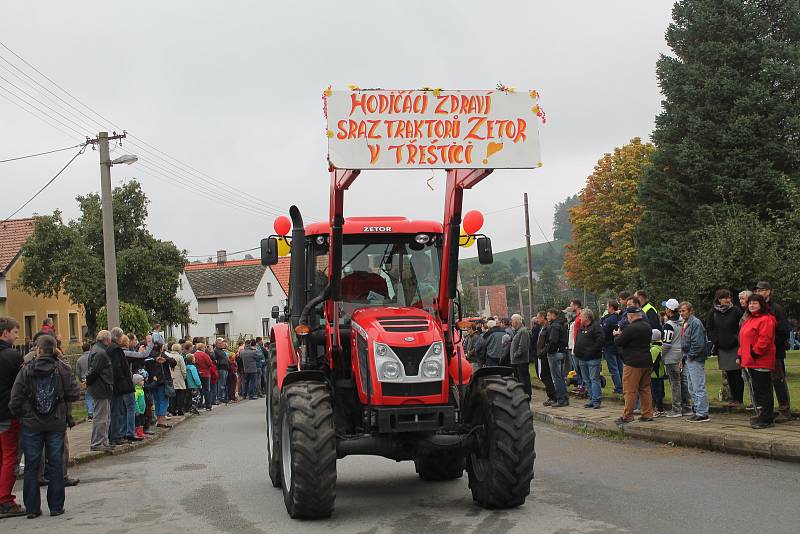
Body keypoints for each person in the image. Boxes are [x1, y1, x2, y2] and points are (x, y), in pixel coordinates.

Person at [9, 334, 79, 519]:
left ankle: (32, 508)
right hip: (56, 422)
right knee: (55, 463)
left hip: (31, 423)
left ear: (38, 350)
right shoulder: (62, 368)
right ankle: (56, 506)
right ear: (54, 349)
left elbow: (15, 399)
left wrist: (24, 414)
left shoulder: (26, 370)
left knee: (32, 464)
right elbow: (74, 393)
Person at [738, 294, 777, 429]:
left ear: (761, 304)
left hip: (760, 360)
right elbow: (743, 338)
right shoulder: (749, 319)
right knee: (757, 389)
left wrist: (754, 353)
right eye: (750, 303)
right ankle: (762, 414)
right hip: (750, 360)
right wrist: (741, 355)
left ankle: (767, 418)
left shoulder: (766, 319)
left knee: (763, 389)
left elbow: (764, 340)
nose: (751, 305)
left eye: (755, 303)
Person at [754, 281, 792, 422]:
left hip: (774, 351)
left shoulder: (776, 309)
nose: (759, 292)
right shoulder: (757, 309)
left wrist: (770, 345)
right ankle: (766, 410)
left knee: (778, 380)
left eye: (762, 290)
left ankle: (784, 409)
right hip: (760, 352)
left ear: (769, 291)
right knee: (762, 382)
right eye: (757, 290)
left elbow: (783, 331)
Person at [0, 317, 26, 518]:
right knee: (10, 457)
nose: (18, 337)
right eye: (15, 332)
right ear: (5, 333)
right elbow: (21, 386)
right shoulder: (12, 356)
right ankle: (5, 500)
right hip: (9, 413)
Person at [613, 306, 654, 424]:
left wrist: (616, 334)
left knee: (630, 390)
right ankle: (647, 413)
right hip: (646, 361)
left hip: (633, 362)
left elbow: (619, 342)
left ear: (630, 316)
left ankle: (628, 415)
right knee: (645, 388)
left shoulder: (631, 328)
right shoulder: (647, 326)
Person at [706, 289, 744, 407]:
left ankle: (739, 398)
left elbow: (741, 326)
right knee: (729, 373)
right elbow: (709, 328)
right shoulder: (713, 312)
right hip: (722, 347)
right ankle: (733, 398)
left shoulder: (736, 311)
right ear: (719, 299)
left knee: (737, 373)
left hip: (735, 346)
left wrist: (735, 339)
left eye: (729, 297)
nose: (728, 300)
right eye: (725, 298)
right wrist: (716, 340)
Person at [661, 299, 692, 417]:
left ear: (669, 310)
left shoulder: (669, 325)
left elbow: (666, 344)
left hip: (671, 357)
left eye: (666, 309)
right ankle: (687, 407)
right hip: (681, 356)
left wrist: (662, 356)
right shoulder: (683, 322)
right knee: (683, 383)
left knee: (675, 383)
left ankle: (676, 409)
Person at [680, 301, 710, 423]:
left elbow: (698, 343)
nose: (682, 313)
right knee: (692, 387)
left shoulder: (695, 323)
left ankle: (702, 412)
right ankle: (697, 409)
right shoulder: (686, 323)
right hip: (688, 358)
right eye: (680, 311)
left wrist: (690, 356)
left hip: (695, 358)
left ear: (690, 311)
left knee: (698, 386)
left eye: (684, 311)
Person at [108, 328, 137, 446]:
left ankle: (116, 434)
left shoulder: (111, 348)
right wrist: (123, 379)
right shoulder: (115, 350)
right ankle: (116, 436)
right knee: (117, 410)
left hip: (115, 384)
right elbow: (117, 368)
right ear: (119, 337)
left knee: (118, 410)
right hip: (118, 385)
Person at [86, 330, 114, 451]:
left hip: (100, 387)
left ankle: (103, 441)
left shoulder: (96, 350)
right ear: (106, 339)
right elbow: (94, 371)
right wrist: (88, 381)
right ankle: (98, 443)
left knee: (105, 416)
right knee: (101, 417)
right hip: (101, 388)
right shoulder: (101, 353)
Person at [573, 309, 604, 409]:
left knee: (594, 379)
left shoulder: (596, 328)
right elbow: (578, 340)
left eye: (581, 316)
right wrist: (577, 352)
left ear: (587, 317)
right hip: (581, 358)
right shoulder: (581, 328)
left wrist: (589, 352)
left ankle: (596, 400)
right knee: (586, 380)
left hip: (593, 358)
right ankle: (591, 399)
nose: (580, 318)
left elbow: (600, 342)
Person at [144, 344, 177, 428]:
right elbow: (173, 361)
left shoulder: (148, 356)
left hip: (152, 381)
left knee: (157, 401)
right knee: (163, 401)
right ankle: (162, 421)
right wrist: (165, 360)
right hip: (162, 380)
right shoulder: (161, 355)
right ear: (161, 347)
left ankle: (158, 420)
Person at [545, 309, 570, 407]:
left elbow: (553, 340)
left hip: (555, 353)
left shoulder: (554, 326)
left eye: (548, 315)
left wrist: (549, 350)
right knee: (560, 377)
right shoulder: (561, 325)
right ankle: (564, 398)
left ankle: (561, 400)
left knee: (557, 378)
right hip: (562, 352)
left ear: (552, 315)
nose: (547, 317)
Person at [600, 300, 624, 394]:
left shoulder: (609, 320)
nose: (606, 307)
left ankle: (618, 388)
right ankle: (623, 385)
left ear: (611, 307)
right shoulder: (621, 317)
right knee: (620, 367)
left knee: (613, 368)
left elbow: (604, 332)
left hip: (609, 345)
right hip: (619, 345)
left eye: (607, 306)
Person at [534, 313, 557, 405]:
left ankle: (553, 396)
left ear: (543, 318)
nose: (537, 320)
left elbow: (549, 342)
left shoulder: (548, 328)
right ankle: (551, 396)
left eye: (538, 317)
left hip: (544, 356)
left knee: (545, 375)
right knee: (543, 375)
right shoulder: (542, 328)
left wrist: (542, 352)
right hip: (540, 355)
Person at [509, 314, 532, 396]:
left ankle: (526, 394)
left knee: (523, 379)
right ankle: (522, 394)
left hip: (521, 361)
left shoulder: (523, 331)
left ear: (516, 322)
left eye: (512, 322)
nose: (511, 324)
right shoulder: (519, 331)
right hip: (517, 361)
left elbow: (522, 347)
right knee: (519, 379)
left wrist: (515, 355)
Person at [567, 299, 585, 393]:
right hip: (572, 345)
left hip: (576, 345)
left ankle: (582, 384)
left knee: (579, 366)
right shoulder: (575, 317)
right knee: (576, 367)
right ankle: (579, 383)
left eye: (571, 305)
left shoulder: (580, 317)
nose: (570, 307)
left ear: (576, 306)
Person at [193, 343, 217, 411]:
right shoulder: (204, 355)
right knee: (206, 390)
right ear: (202, 348)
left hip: (197, 373)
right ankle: (208, 405)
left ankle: (200, 404)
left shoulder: (194, 355)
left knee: (199, 390)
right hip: (205, 373)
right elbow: (210, 363)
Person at [650, 328, 667, 417]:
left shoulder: (654, 349)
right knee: (659, 391)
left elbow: (653, 363)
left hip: (654, 374)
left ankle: (659, 409)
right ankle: (660, 408)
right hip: (660, 372)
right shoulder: (661, 346)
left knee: (656, 392)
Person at [74, 343, 93, 420]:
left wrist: (81, 379)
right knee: (94, 395)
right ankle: (94, 412)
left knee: (88, 396)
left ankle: (90, 413)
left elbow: (78, 372)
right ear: (90, 348)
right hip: (93, 377)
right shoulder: (92, 357)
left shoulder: (79, 360)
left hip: (84, 379)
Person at [168, 343, 187, 416]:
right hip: (179, 377)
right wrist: (184, 376)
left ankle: (172, 410)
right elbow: (183, 369)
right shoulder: (180, 357)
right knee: (180, 393)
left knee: (172, 395)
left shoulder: (168, 356)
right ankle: (180, 410)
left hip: (170, 376)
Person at [212, 338, 230, 404]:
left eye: (221, 343)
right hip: (221, 368)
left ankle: (223, 397)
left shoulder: (221, 350)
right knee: (221, 384)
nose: (221, 344)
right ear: (216, 344)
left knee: (223, 384)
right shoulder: (216, 351)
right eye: (219, 343)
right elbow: (214, 360)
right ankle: (220, 397)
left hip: (225, 368)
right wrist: (219, 363)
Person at [132, 374, 146, 439]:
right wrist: (137, 410)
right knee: (138, 422)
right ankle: (138, 432)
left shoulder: (142, 390)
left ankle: (141, 432)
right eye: (141, 380)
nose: (143, 382)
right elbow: (136, 401)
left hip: (142, 410)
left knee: (142, 421)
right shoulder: (136, 391)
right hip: (138, 410)